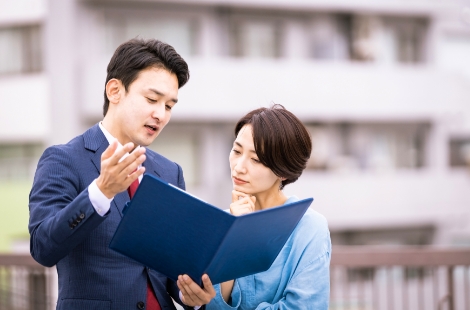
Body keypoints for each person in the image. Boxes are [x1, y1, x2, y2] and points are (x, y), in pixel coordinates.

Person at [28, 38, 215, 310]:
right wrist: (101, 192)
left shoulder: (169, 172)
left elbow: (172, 267)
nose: (160, 114)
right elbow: (43, 247)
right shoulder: (64, 159)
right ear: (114, 91)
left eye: (169, 106)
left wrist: (191, 296)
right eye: (152, 99)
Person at [206, 104, 331, 309]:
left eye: (255, 159)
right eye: (237, 151)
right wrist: (233, 235)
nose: (239, 167)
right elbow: (210, 304)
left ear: (283, 172)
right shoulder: (222, 222)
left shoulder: (310, 228)